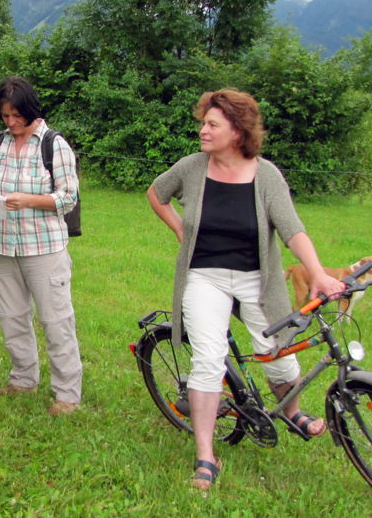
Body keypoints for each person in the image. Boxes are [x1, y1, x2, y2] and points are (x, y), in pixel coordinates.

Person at [147, 88, 345, 490]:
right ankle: (206, 455)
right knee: (208, 359)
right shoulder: (191, 167)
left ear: (238, 132)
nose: (203, 130)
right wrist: (180, 229)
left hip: (259, 278)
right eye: (204, 122)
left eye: (212, 124)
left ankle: (291, 411)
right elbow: (156, 193)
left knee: (280, 354)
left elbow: (292, 229)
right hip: (205, 276)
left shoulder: (266, 174)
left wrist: (318, 273)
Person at [0, 76, 82, 416]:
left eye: (16, 115)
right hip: (3, 246)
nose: (11, 123)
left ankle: (67, 394)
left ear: (31, 109)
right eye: (5, 116)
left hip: (44, 248)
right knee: (11, 316)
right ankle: (22, 379)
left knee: (55, 320)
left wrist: (30, 200)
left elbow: (68, 198)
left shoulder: (54, 144)